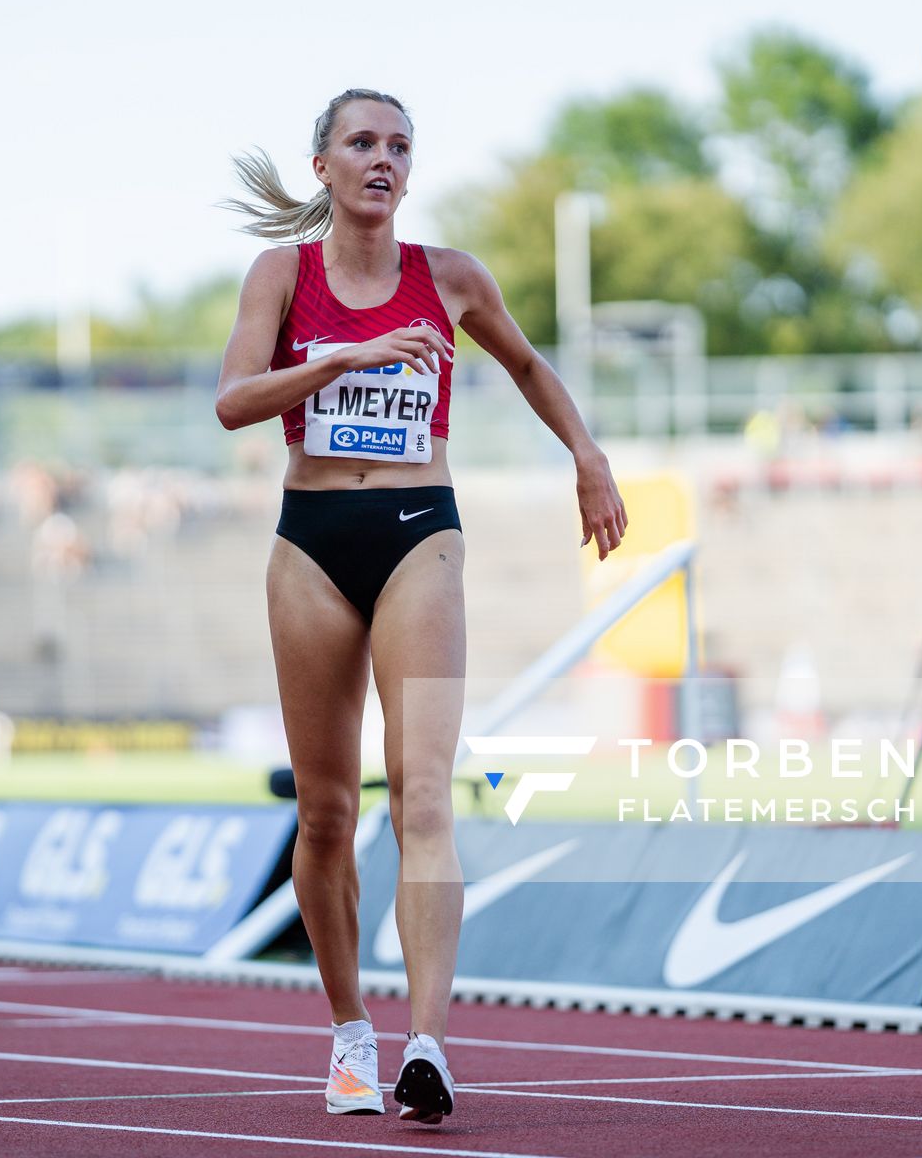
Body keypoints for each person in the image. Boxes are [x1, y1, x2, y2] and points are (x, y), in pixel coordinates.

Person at [215, 89, 626, 1124]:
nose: (383, 159)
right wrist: (344, 358)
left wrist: (585, 453)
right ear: (324, 165)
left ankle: (428, 1042)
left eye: (400, 145)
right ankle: (352, 1030)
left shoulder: (449, 278)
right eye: (362, 142)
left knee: (424, 792)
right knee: (325, 811)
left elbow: (528, 363)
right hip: (309, 545)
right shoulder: (284, 275)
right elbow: (231, 401)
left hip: (419, 532)